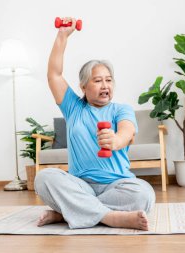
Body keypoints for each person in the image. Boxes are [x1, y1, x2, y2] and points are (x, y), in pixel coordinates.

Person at [34, 17, 155, 231]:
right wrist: (62, 35)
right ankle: (111, 217)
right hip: (80, 185)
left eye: (109, 80)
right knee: (44, 178)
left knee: (145, 194)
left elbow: (127, 131)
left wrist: (116, 141)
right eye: (98, 80)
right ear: (83, 86)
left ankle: (67, 213)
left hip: (118, 185)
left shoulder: (121, 109)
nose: (105, 85)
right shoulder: (73, 108)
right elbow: (54, 74)